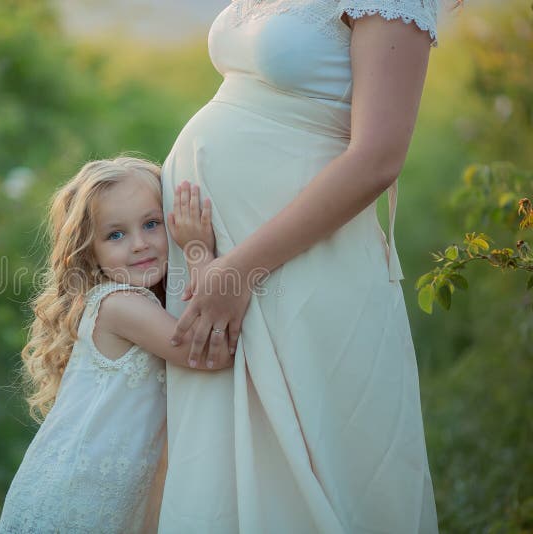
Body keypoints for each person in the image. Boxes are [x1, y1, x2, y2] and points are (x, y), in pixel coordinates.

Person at [157, 1, 445, 532]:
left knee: (311, 471)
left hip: (295, 264)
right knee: (223, 465)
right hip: (218, 262)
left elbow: (379, 158)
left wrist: (240, 268)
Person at [0, 156, 230, 534]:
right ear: (90, 254)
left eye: (151, 224)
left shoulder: (142, 302)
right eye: (115, 235)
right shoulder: (119, 304)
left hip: (103, 499)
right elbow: (209, 353)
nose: (140, 244)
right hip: (75, 500)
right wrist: (199, 251)